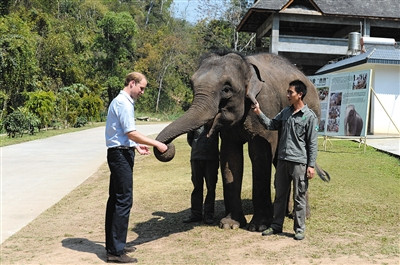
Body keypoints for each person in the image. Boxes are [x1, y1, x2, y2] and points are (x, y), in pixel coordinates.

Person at [105, 72, 168, 263]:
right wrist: (156, 144)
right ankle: (116, 252)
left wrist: (135, 146)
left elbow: (122, 135)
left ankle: (115, 246)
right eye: (141, 88)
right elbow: (130, 133)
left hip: (120, 152)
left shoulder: (121, 101)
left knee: (115, 200)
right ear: (132, 83)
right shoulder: (123, 103)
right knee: (123, 201)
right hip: (120, 156)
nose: (142, 92)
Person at [252, 80, 318, 241]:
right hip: (282, 161)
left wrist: (310, 166)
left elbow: (313, 143)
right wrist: (259, 112)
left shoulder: (309, 117)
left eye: (290, 92)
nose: (287, 95)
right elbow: (270, 124)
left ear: (300, 94)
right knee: (280, 195)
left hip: (299, 163)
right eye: (288, 92)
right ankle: (276, 225)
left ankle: (299, 229)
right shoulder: (285, 113)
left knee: (299, 196)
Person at [183, 124, 219, 225]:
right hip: (196, 158)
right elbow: (190, 139)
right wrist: (197, 147)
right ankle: (196, 214)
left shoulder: (215, 123)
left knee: (211, 188)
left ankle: (208, 215)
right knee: (197, 187)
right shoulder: (196, 123)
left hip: (211, 159)